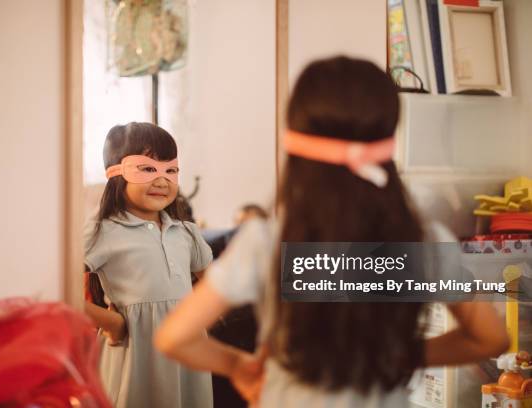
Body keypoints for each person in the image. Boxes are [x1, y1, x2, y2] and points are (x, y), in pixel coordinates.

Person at [154, 57, 510, 407]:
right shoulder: (425, 241)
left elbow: (174, 337)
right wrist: (401, 355)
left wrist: (238, 366)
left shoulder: (266, 243)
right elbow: (489, 339)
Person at [83, 122, 213, 408]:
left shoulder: (187, 232)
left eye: (171, 170)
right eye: (147, 168)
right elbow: (61, 287)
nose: (162, 180)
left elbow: (216, 286)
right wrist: (112, 323)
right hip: (135, 353)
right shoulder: (102, 231)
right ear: (116, 174)